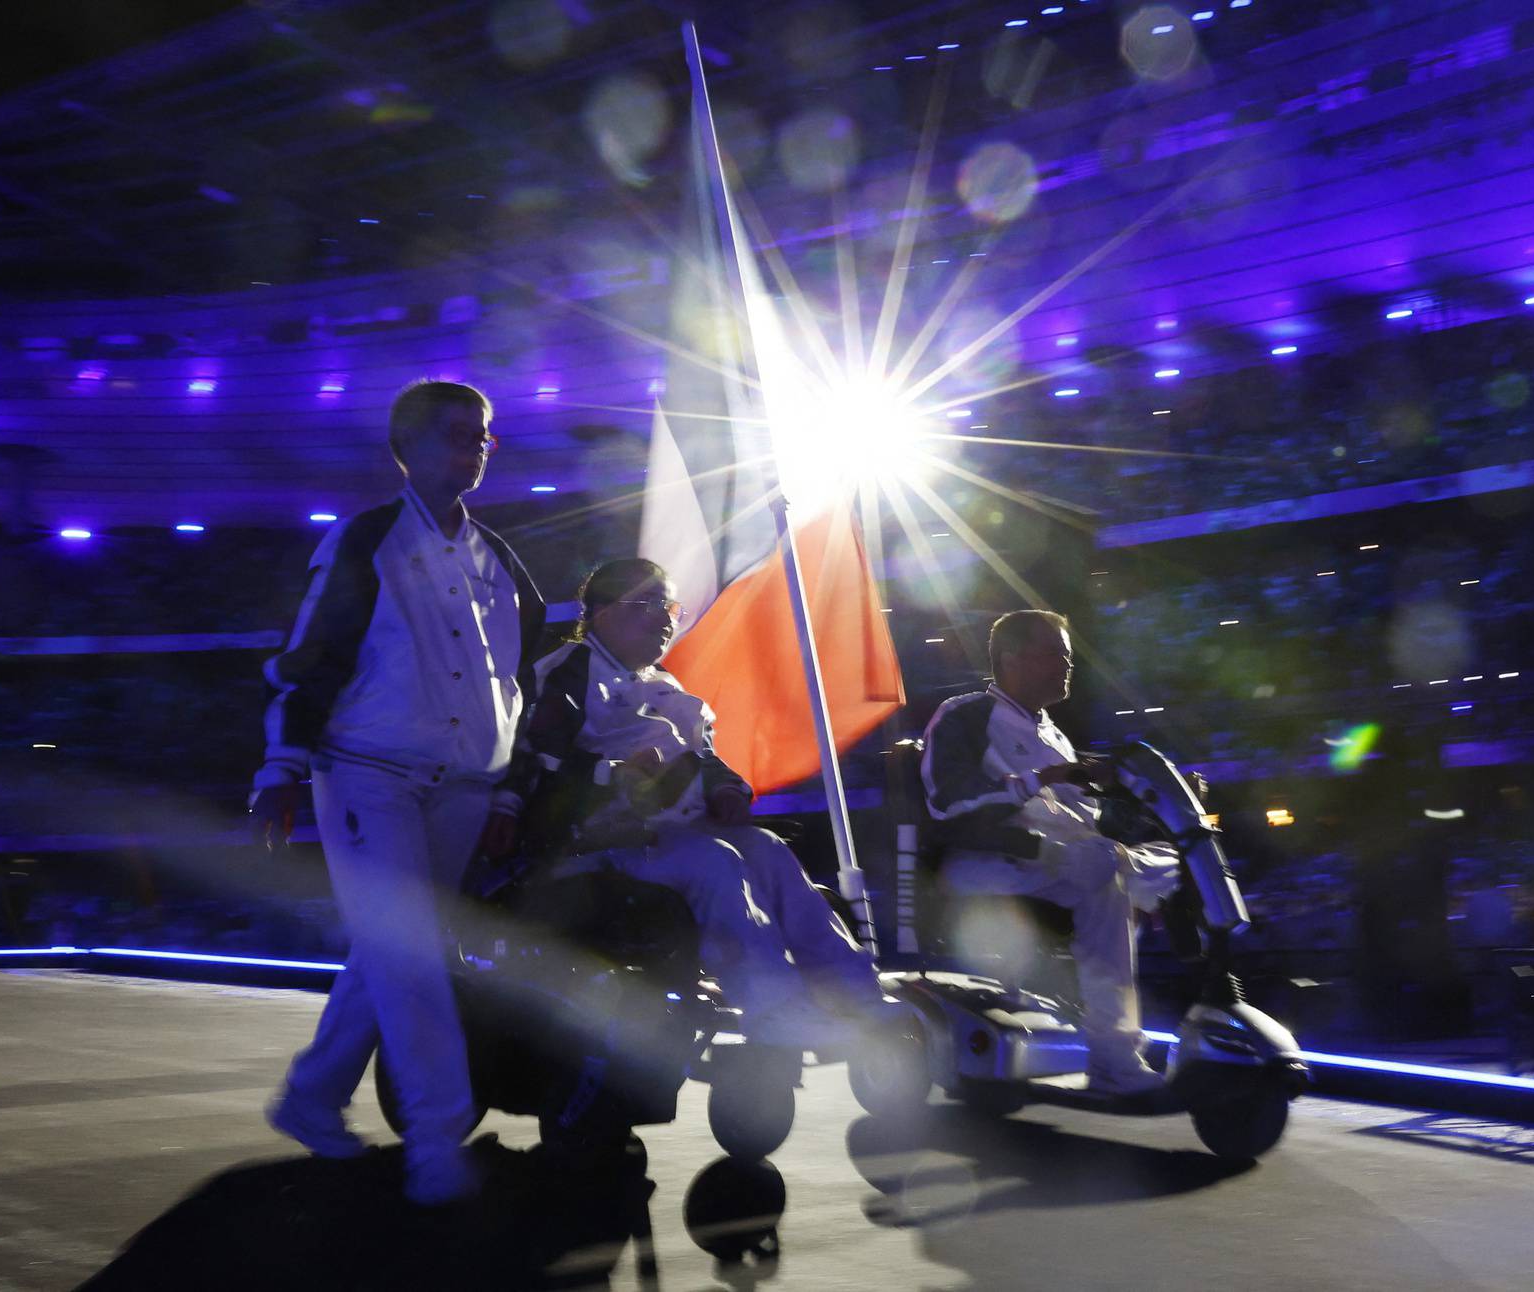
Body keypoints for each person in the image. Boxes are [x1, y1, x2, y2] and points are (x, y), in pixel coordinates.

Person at [250, 380, 543, 1206]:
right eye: (458, 433)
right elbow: (308, 656)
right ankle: (438, 1142)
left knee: (390, 949)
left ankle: (310, 1099)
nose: (477, 445)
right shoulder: (365, 539)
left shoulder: (502, 562)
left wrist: (510, 794)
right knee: (410, 947)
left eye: (484, 434)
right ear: (405, 448)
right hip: (366, 774)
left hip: (465, 791)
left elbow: (517, 686)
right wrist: (280, 767)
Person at [485, 557, 882, 1035]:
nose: (665, 618)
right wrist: (614, 774)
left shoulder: (664, 683)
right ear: (601, 611)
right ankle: (773, 1006)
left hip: (676, 828)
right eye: (646, 604)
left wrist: (728, 790)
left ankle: (855, 990)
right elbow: (534, 762)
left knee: (769, 850)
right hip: (600, 839)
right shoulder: (565, 675)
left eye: (668, 605)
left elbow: (705, 757)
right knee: (714, 860)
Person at [919, 609, 1181, 1096]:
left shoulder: (1053, 734)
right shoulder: (966, 715)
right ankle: (1114, 1058)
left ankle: (1157, 916)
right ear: (1012, 658)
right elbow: (946, 801)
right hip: (986, 859)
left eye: (1068, 655)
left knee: (1177, 857)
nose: (1067, 664)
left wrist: (1158, 802)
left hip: (1058, 861)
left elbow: (1084, 820)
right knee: (1106, 867)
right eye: (1056, 654)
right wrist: (1044, 779)